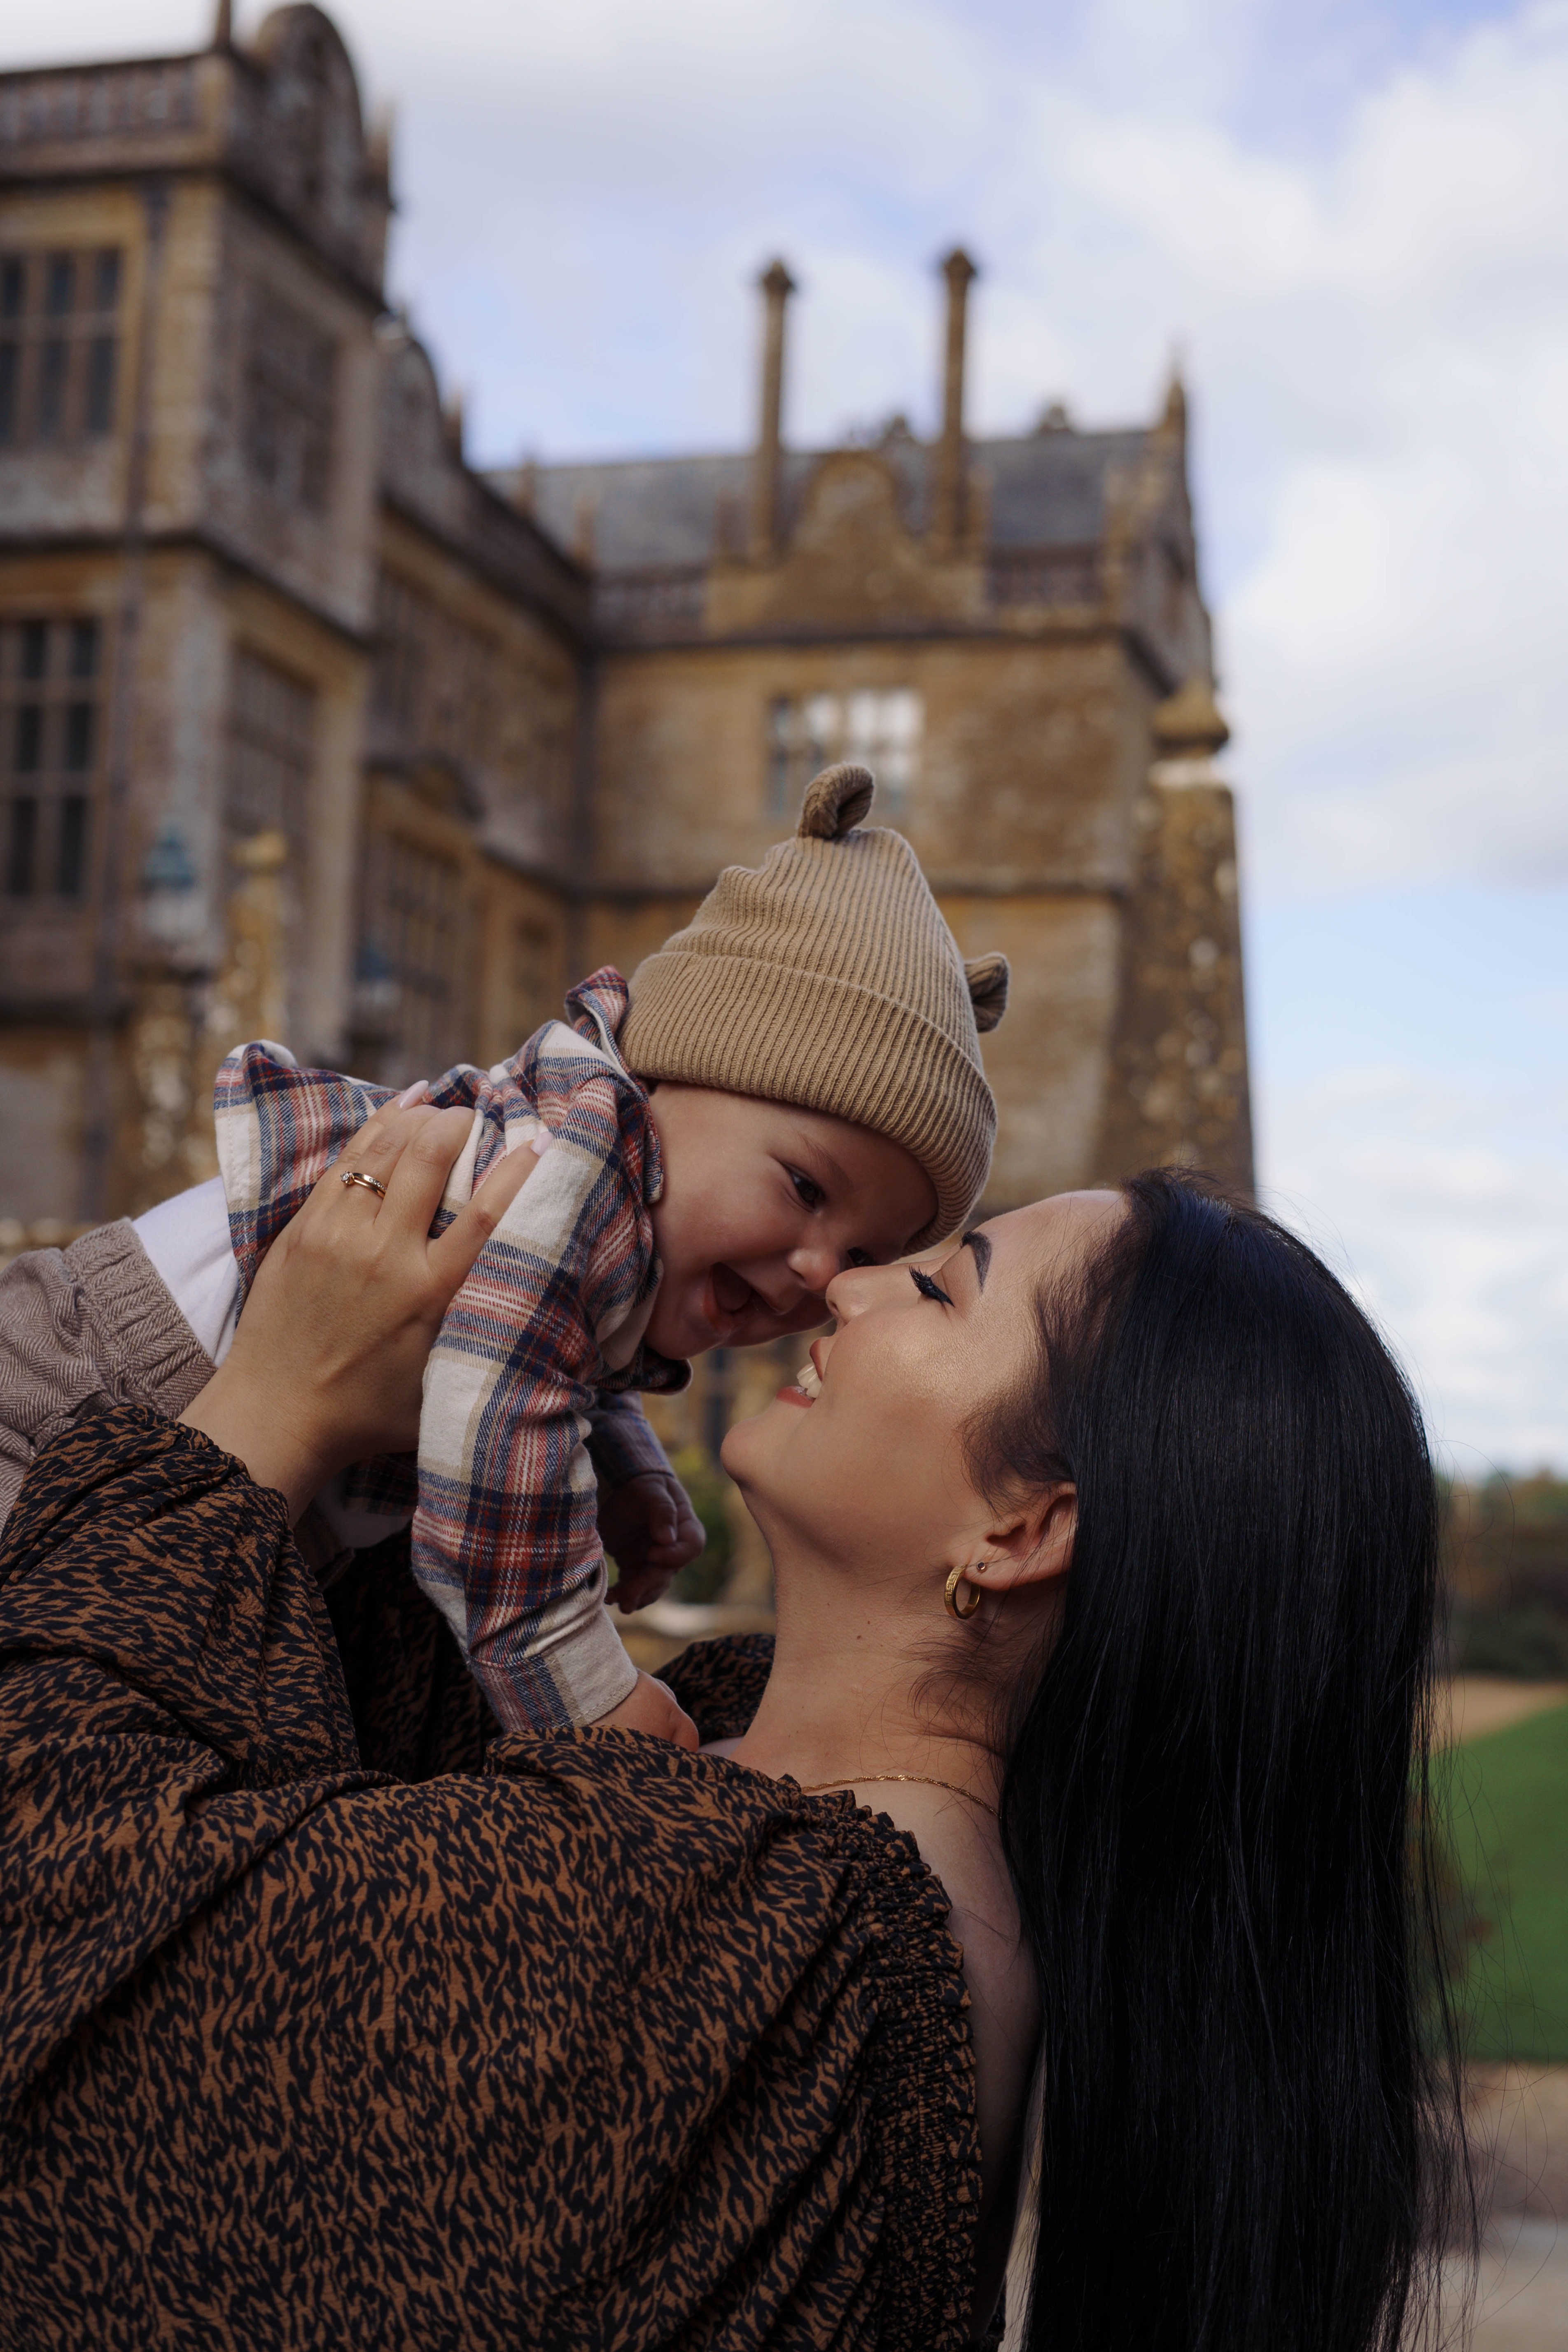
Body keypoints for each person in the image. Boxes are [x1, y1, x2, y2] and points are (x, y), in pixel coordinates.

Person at [0, 1108, 1466, 2352]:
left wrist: (272, 1403)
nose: (849, 1289)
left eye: (941, 1289)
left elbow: (55, 1925)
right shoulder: (807, 1839)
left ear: (1023, 1527)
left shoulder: (758, 1916)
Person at [2, 760, 1008, 1748]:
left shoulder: (620, 1205)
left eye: (864, 1251)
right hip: (84, 1388)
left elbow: (560, 1348)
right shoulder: (579, 1163)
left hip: (186, 1462)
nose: (821, 1273)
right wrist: (586, 1693)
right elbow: (497, 1426)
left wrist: (624, 1465)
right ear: (661, 1081)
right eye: (804, 1189)